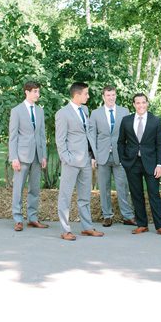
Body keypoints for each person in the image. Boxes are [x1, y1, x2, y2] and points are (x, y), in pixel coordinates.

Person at [117, 93, 161, 237]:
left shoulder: (155, 121)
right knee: (136, 194)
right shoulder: (126, 121)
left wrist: (160, 164)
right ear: (134, 105)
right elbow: (120, 142)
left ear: (147, 103)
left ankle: (160, 226)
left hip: (151, 164)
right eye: (137, 103)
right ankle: (142, 224)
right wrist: (124, 161)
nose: (141, 105)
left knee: (154, 194)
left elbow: (160, 144)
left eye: (143, 102)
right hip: (132, 163)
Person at [55, 82, 104, 241]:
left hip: (86, 160)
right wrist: (67, 158)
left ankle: (87, 227)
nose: (88, 96)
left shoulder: (85, 110)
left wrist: (93, 155)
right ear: (77, 95)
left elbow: (87, 134)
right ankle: (65, 229)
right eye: (86, 94)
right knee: (65, 196)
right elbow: (60, 140)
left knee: (85, 197)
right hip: (71, 161)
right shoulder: (63, 113)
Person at [89, 85, 136, 227]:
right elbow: (92, 136)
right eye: (108, 95)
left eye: (113, 95)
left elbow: (129, 134)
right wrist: (92, 155)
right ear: (103, 97)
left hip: (120, 156)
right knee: (104, 187)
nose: (111, 98)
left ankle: (128, 216)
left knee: (123, 186)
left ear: (116, 96)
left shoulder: (124, 111)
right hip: (101, 156)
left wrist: (128, 154)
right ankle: (107, 215)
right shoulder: (95, 113)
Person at [9, 81, 49, 231]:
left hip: (38, 156)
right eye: (35, 91)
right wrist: (14, 157)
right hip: (22, 156)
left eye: (38, 92)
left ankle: (32, 218)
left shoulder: (40, 111)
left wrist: (44, 155)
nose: (37, 94)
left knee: (35, 189)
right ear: (27, 92)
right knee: (18, 188)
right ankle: (18, 219)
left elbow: (42, 135)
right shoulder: (17, 111)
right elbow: (13, 136)